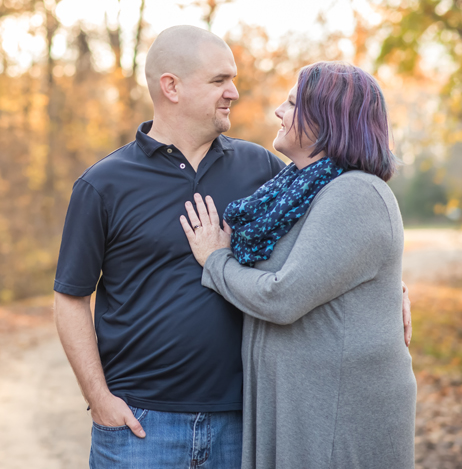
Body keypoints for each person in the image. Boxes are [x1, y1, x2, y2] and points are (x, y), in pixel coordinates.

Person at [54, 29, 410, 469]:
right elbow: (70, 297)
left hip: (241, 423)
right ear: (172, 87)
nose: (234, 92)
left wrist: (393, 289)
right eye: (220, 80)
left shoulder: (263, 170)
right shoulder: (104, 184)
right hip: (141, 424)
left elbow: (342, 232)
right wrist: (99, 399)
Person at [180, 61, 417, 469]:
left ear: (327, 120)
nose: (278, 111)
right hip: (301, 409)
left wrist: (216, 260)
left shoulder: (355, 193)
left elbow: (283, 296)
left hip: (335, 417)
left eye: (292, 103)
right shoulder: (298, 190)